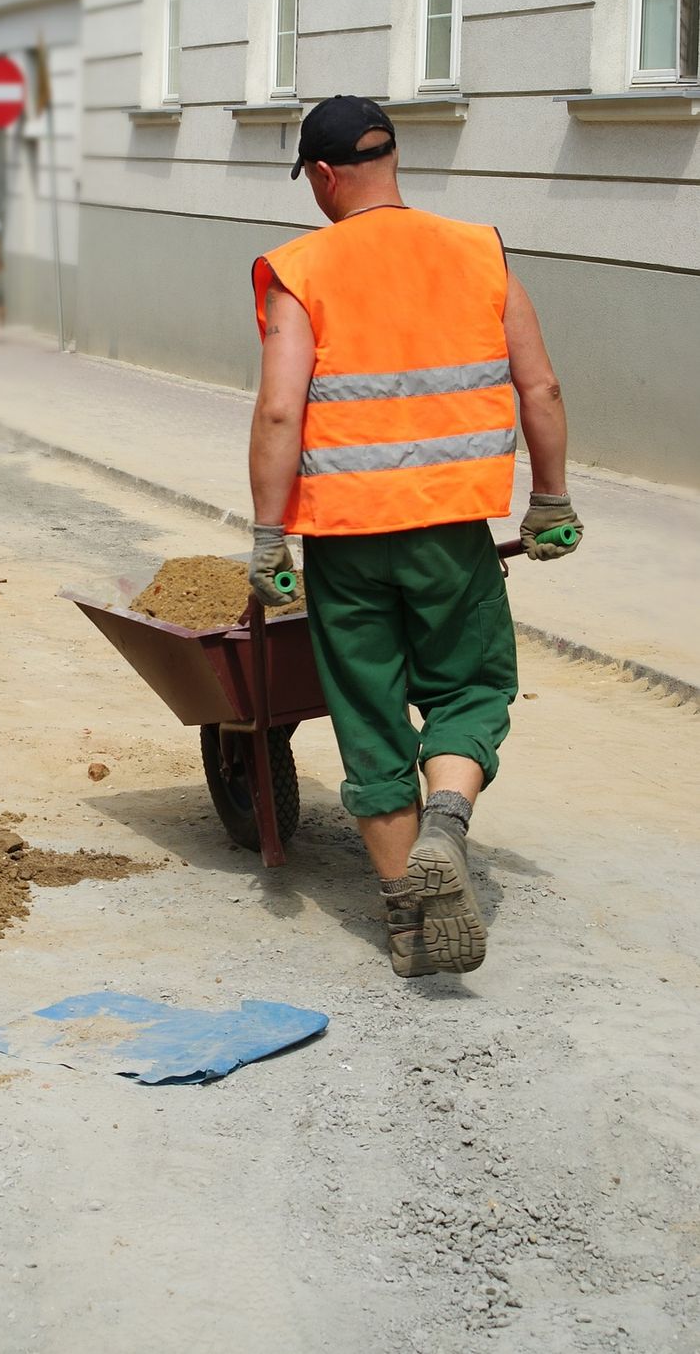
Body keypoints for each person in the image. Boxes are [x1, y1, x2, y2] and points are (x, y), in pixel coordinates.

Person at [247, 95, 583, 980]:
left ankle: (409, 919)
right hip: (451, 530)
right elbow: (541, 388)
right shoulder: (480, 250)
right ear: (393, 157)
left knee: (368, 713)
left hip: (347, 538)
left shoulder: (300, 268)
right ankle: (448, 823)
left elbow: (280, 408)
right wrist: (549, 501)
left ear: (324, 175)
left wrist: (268, 537)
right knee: (471, 687)